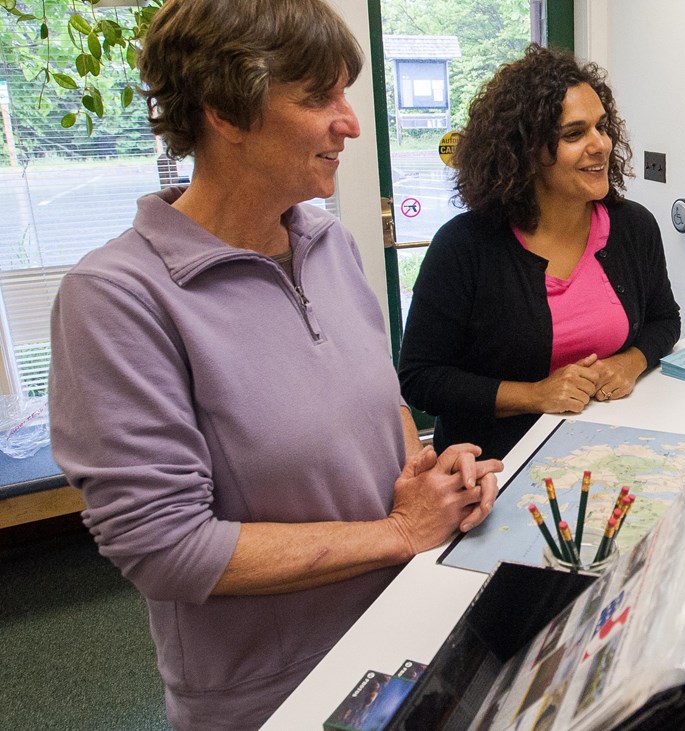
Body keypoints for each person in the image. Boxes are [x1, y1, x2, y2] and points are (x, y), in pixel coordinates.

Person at [46, 1, 502, 728]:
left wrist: (423, 470)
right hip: (278, 692)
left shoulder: (328, 243)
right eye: (320, 97)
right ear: (226, 110)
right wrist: (399, 531)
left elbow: (372, 409)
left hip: (408, 627)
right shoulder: (116, 299)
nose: (349, 122)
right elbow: (168, 547)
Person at [398, 44, 681, 461]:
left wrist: (630, 362)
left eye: (602, 128)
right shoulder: (464, 247)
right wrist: (535, 395)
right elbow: (422, 378)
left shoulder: (633, 227)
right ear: (525, 153)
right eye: (574, 134)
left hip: (609, 449)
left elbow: (664, 319)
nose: (600, 145)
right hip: (496, 465)